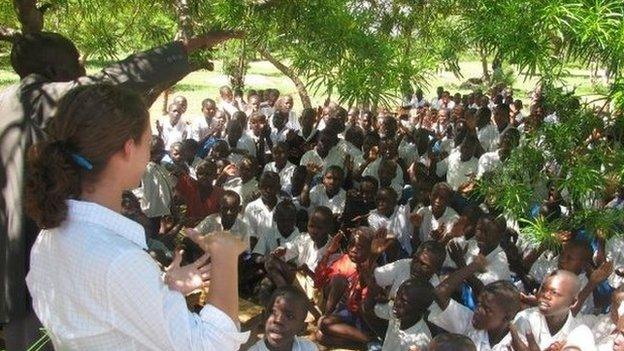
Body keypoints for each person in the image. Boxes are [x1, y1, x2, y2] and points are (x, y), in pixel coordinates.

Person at [0, 30, 240, 349]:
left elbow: (99, 316)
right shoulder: (37, 97)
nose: (84, 72)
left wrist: (157, 290)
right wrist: (225, 256)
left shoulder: (49, 241)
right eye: (76, 64)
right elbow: (211, 345)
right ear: (128, 148)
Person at [514, 270, 582, 349]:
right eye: (543, 289)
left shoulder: (579, 332)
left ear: (573, 302)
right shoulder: (525, 319)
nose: (546, 295)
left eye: (554, 292)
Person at [369, 278, 436, 351]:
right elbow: (370, 309)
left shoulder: (418, 344)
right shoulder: (397, 313)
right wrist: (374, 298)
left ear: (420, 309)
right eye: (397, 295)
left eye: (404, 301)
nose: (396, 302)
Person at [248, 287, 318, 351]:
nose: (278, 320)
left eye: (289, 316)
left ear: (302, 328)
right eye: (273, 312)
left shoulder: (308, 348)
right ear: (264, 317)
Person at [243, 171, 282, 249]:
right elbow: (251, 237)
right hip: (257, 254)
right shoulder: (251, 208)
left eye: (271, 187)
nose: (267, 190)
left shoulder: (284, 207)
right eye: (264, 186)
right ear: (259, 187)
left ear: (278, 188)